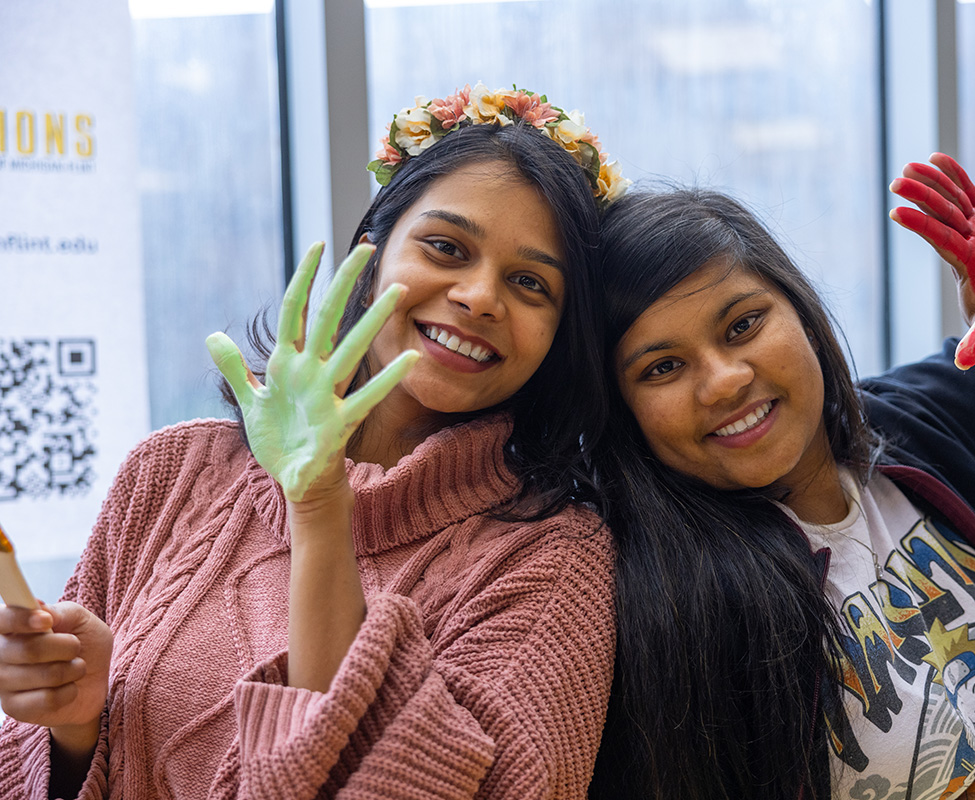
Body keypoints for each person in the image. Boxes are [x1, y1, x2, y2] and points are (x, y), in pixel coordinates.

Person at [0, 82, 628, 799]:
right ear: (370, 261)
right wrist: (73, 730)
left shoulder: (553, 560)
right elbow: (43, 763)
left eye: (530, 283)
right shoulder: (168, 473)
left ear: (559, 334)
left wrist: (322, 506)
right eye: (446, 247)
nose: (481, 295)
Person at [587, 154, 975, 800]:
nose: (725, 379)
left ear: (802, 312)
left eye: (743, 324)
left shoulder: (917, 426)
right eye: (662, 368)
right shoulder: (655, 601)